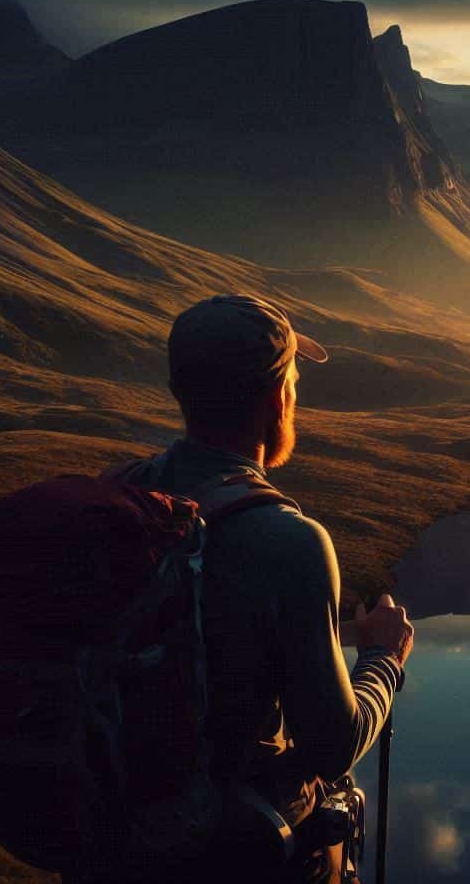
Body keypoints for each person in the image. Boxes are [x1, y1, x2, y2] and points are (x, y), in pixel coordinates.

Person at [116, 294, 413, 882]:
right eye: (295, 383)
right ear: (278, 398)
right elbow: (332, 746)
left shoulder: (121, 494)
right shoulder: (290, 541)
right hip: (244, 854)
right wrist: (384, 657)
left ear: (182, 391)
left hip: (120, 847)